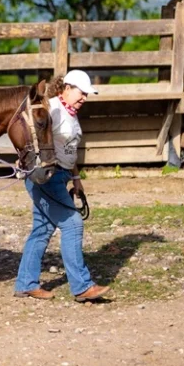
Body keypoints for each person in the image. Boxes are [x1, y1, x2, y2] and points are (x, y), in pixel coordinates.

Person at [14, 69, 111, 302]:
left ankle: (26, 283)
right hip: (47, 176)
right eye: (82, 93)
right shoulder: (52, 109)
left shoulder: (70, 112)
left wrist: (76, 178)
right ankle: (82, 286)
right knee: (73, 224)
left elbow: (70, 150)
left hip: (63, 175)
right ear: (66, 89)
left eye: (87, 95)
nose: (84, 99)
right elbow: (32, 137)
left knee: (42, 229)